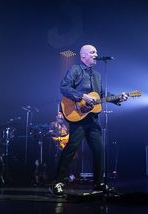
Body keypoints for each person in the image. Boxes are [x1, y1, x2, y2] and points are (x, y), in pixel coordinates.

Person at [52, 44, 128, 196]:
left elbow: (101, 94)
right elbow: (64, 87)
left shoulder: (97, 75)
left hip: (92, 118)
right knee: (71, 148)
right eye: (92, 52)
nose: (96, 54)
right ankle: (58, 183)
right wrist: (81, 96)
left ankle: (99, 184)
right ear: (83, 56)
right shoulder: (75, 70)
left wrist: (117, 98)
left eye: (96, 52)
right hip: (77, 116)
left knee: (99, 150)